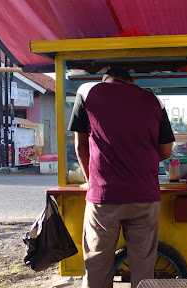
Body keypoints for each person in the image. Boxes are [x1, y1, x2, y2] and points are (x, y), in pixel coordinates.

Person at [68, 66, 175, 288]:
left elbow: (80, 145)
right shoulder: (153, 100)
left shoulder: (88, 91)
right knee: (143, 265)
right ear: (131, 82)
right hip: (144, 196)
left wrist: (91, 180)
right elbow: (166, 151)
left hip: (104, 197)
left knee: (97, 262)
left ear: (105, 79)